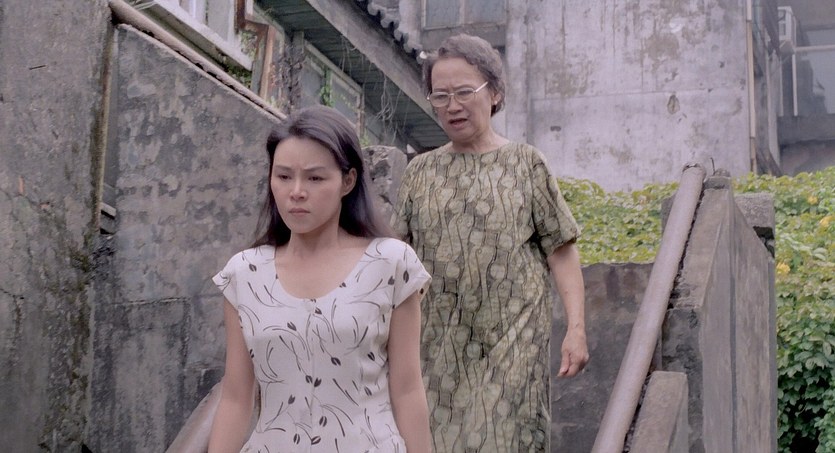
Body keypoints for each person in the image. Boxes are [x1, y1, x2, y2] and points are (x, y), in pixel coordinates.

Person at [392, 34, 589, 452]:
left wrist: (576, 329)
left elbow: (561, 250)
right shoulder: (420, 173)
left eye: (464, 92)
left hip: (513, 343)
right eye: (441, 95)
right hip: (437, 349)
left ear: (495, 93)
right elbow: (395, 258)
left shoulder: (526, 164)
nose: (452, 105)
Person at [208, 105, 432, 453]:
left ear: (348, 181)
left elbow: (407, 390)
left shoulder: (390, 263)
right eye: (284, 176)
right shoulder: (245, 273)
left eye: (315, 178)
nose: (296, 191)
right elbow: (236, 397)